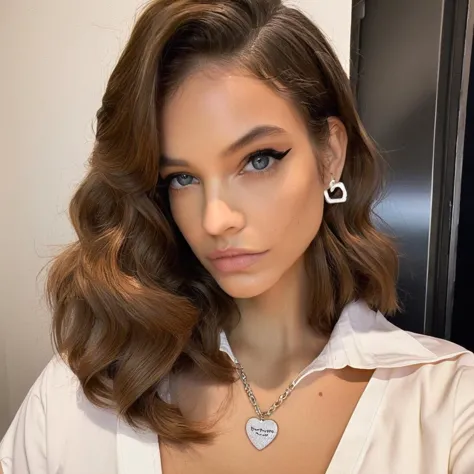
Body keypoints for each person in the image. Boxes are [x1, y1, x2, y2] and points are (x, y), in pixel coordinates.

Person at [1, 0, 474, 472]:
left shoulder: (447, 404)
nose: (215, 219)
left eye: (259, 159)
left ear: (329, 153)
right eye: (181, 178)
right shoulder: (82, 393)